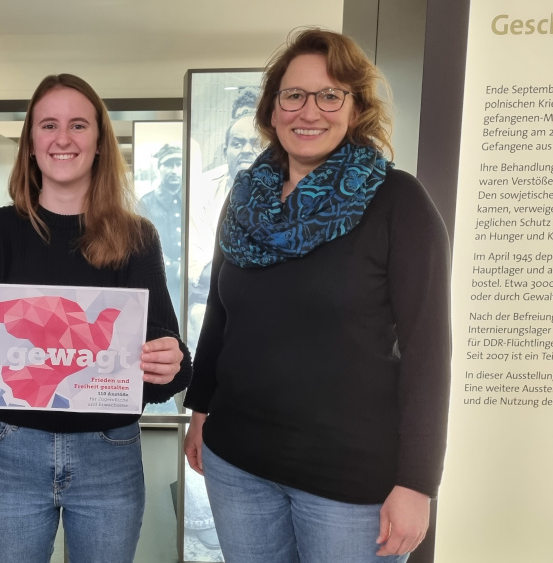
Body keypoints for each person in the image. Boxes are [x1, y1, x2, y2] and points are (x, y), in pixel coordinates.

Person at [183, 28, 450, 563]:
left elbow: (428, 350)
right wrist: (200, 409)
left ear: (356, 108)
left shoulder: (399, 202)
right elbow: (221, 308)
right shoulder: (245, 197)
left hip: (349, 482)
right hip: (238, 463)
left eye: (330, 95)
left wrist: (418, 484)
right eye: (294, 95)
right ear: (273, 108)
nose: (311, 111)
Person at [0, 73, 192, 563]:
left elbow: (168, 365)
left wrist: (168, 363)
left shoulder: (137, 236)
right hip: (12, 451)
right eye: (48, 125)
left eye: (78, 125)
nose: (62, 138)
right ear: (30, 144)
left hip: (110, 452)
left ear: (100, 142)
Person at [187, 111, 261, 349]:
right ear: (225, 151)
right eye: (237, 143)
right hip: (205, 314)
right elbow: (195, 271)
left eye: (257, 143)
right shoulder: (200, 190)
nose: (247, 150)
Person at [138, 143, 183, 313]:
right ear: (159, 168)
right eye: (168, 165)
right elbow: (141, 246)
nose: (174, 170)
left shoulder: (191, 199)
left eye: (178, 164)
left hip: (188, 281)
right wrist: (172, 267)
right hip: (159, 280)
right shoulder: (146, 202)